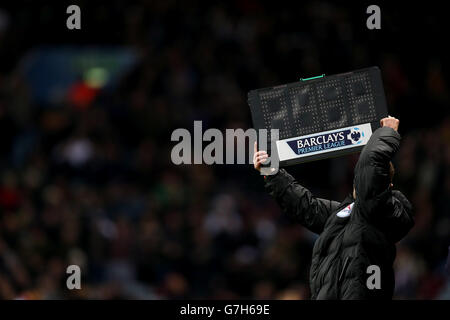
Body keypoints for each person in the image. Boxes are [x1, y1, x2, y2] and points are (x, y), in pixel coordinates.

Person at [253, 116, 414, 299]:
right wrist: (270, 171)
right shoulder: (341, 213)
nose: (359, 182)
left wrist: (386, 134)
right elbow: (305, 206)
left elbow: (370, 178)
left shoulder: (386, 211)